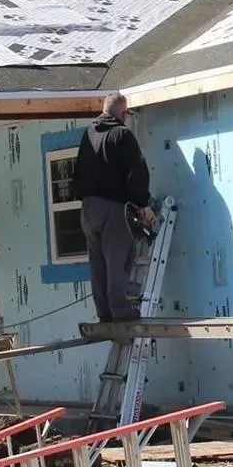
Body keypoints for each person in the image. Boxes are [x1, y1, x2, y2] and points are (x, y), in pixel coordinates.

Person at [71, 92, 156, 322]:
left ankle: (104, 314)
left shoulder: (88, 133)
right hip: (112, 208)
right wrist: (142, 204)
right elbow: (137, 172)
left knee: (98, 264)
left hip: (88, 210)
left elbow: (76, 172)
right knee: (118, 261)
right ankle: (121, 312)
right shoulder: (122, 134)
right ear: (124, 113)